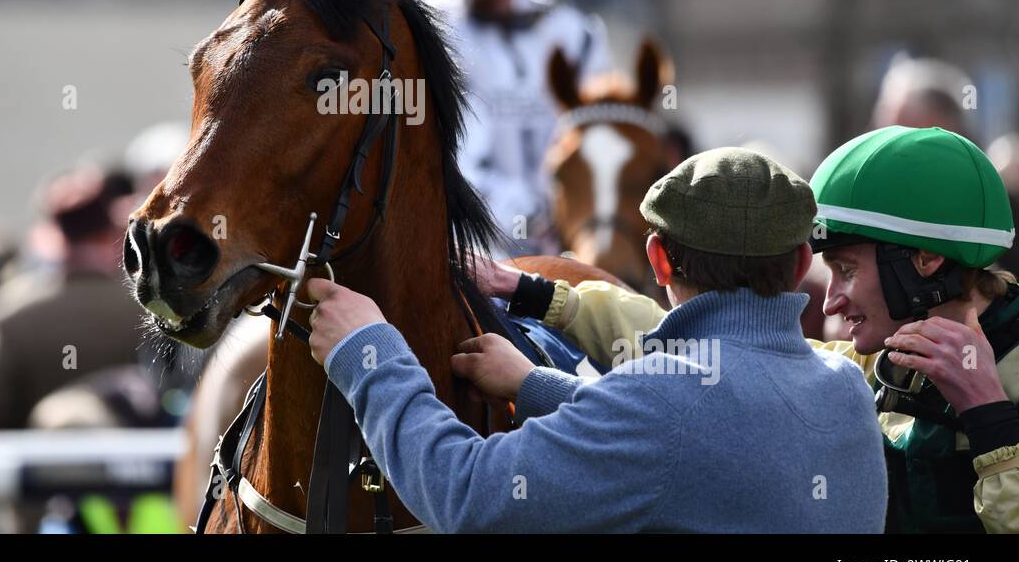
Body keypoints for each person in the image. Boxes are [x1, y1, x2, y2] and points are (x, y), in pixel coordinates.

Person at [305, 148, 888, 532]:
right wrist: (535, 385)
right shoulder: (846, 390)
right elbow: (712, 444)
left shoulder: (662, 401)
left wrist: (370, 353)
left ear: (658, 259)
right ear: (800, 265)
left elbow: (466, 495)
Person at [489, 126, 1019, 533]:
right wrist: (541, 295)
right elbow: (712, 349)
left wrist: (991, 419)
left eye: (848, 270)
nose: (831, 299)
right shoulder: (871, 366)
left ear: (925, 260)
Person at [410, 0, 611, 254]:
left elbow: (597, 161)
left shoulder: (578, 36)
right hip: (451, 265)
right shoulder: (419, 25)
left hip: (563, 276)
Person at [0, 165, 153, 429]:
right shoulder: (147, 309)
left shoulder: (8, 312)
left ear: (54, 236)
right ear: (110, 234)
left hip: (33, 463)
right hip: (140, 463)